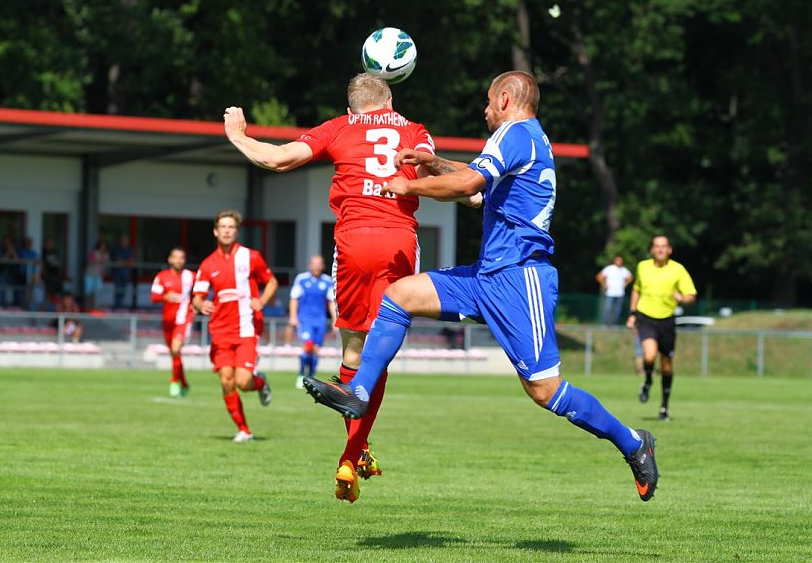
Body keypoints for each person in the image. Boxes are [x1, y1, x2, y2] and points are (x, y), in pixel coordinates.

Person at [304, 71, 660, 503]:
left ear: (507, 99)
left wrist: (408, 185)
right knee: (399, 295)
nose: (485, 110)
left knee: (545, 390)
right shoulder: (522, 140)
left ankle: (633, 443)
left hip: (519, 277)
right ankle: (358, 391)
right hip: (487, 274)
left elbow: (469, 185)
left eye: (489, 102)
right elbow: (473, 182)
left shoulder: (517, 134)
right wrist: (430, 162)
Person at [224, 73, 478, 501]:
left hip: (354, 242)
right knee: (380, 352)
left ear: (351, 108)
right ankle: (351, 454)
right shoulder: (414, 130)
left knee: (353, 351)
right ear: (391, 100)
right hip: (399, 239)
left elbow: (278, 159)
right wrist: (474, 192)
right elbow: (437, 175)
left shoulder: (338, 128)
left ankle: (356, 454)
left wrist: (238, 135)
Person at [191, 210, 278, 443]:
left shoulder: (251, 257)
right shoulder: (208, 264)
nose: (227, 230)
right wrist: (201, 304)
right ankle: (244, 430)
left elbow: (271, 281)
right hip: (219, 331)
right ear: (216, 231)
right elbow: (196, 298)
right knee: (226, 380)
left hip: (247, 328)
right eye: (223, 227)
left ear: (236, 231)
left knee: (243, 381)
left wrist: (261, 300)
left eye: (231, 227)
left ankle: (259, 383)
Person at [626, 235, 697, 421]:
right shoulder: (643, 266)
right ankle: (648, 380)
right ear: (651, 249)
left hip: (667, 321)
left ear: (669, 250)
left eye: (664, 246)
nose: (660, 249)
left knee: (666, 366)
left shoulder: (678, 269)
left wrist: (683, 298)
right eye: (657, 246)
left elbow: (691, 295)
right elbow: (636, 289)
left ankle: (664, 406)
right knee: (649, 355)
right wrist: (632, 314)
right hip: (646, 317)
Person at [151, 246, 195, 398]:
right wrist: (166, 297)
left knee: (176, 350)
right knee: (175, 354)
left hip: (184, 319)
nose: (178, 260)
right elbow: (154, 296)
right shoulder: (162, 276)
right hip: (168, 321)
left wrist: (197, 305)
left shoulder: (191, 276)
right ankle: (184, 383)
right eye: (175, 257)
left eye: (181, 257)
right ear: (170, 259)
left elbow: (202, 291)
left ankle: (174, 381)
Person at [288, 255, 337, 390]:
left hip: (320, 320)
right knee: (308, 346)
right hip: (305, 319)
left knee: (315, 350)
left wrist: (334, 319)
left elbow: (331, 302)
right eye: (314, 264)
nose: (316, 266)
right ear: (310, 265)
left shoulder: (327, 281)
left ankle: (311, 376)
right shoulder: (301, 279)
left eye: (319, 264)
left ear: (322, 266)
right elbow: (294, 298)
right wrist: (293, 316)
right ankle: (301, 374)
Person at [596, 255, 633, 326]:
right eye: (617, 260)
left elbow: (630, 277)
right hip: (610, 293)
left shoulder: (624, 270)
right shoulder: (609, 269)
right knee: (607, 309)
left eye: (620, 260)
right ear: (614, 261)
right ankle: (605, 325)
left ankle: (615, 325)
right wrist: (604, 285)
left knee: (617, 311)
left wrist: (625, 284)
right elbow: (599, 276)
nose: (619, 262)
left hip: (620, 293)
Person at [84, 239, 109, 310]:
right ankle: (88, 307)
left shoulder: (106, 254)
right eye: (101, 246)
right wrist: (97, 260)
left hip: (98, 275)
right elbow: (89, 261)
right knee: (89, 291)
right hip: (90, 274)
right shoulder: (94, 252)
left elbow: (105, 265)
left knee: (98, 291)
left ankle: (96, 307)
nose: (103, 247)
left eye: (104, 246)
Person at [111, 234, 133, 309]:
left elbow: (130, 262)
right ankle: (117, 306)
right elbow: (117, 261)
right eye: (123, 240)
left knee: (123, 290)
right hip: (117, 273)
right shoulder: (117, 249)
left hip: (125, 273)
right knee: (118, 289)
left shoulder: (129, 250)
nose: (124, 242)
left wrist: (123, 262)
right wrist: (125, 262)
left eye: (126, 240)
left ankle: (120, 305)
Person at [41, 238, 64, 308]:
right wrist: (44, 273)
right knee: (48, 292)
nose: (50, 245)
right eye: (48, 243)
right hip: (48, 275)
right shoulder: (44, 252)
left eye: (51, 243)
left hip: (56, 274)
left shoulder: (55, 252)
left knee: (57, 291)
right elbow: (42, 264)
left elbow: (58, 263)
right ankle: (48, 306)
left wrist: (60, 272)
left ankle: (56, 305)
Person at [17, 238, 39, 309]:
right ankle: (19, 305)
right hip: (22, 274)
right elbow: (23, 259)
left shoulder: (33, 253)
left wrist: (35, 275)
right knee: (21, 291)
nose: (29, 244)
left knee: (32, 292)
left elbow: (36, 261)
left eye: (30, 243)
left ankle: (29, 307)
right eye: (27, 243)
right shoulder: (21, 251)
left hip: (31, 276)